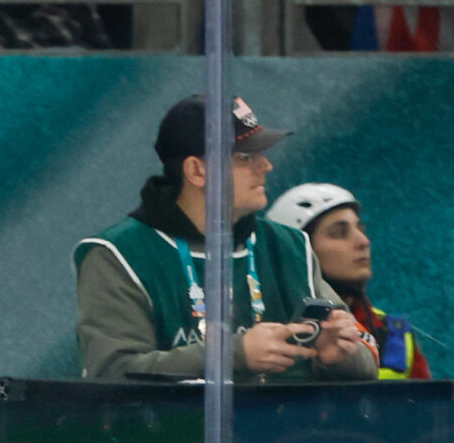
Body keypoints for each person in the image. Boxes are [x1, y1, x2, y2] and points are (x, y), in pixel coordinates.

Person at [75, 95, 377, 383]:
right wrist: (233, 355)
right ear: (196, 170)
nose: (266, 166)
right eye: (246, 157)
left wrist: (338, 355)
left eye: (262, 154)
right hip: (179, 437)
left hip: (286, 435)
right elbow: (112, 373)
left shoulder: (291, 246)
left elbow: (367, 360)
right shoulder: (118, 254)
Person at [267, 183, 431, 379]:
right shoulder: (269, 333)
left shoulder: (393, 332)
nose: (363, 242)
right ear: (297, 252)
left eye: (361, 229)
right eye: (338, 233)